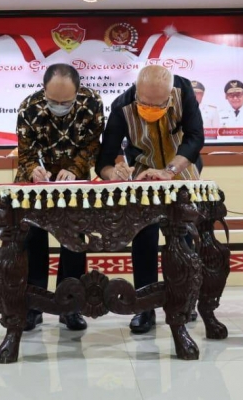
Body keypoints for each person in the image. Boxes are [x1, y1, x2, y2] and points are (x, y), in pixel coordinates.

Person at [96, 65, 203, 334]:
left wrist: (169, 171)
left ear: (169, 95)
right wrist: (114, 173)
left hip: (180, 170)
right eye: (145, 103)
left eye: (160, 104)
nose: (152, 109)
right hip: (144, 173)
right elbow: (104, 160)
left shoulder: (185, 90)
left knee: (184, 238)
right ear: (136, 90)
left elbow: (195, 136)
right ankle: (143, 306)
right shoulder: (121, 106)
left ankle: (184, 301)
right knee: (144, 237)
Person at [16, 63, 104, 331]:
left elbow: (93, 144)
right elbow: (25, 153)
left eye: (66, 101)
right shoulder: (28, 107)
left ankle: (70, 305)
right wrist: (34, 170)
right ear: (44, 89)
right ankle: (34, 305)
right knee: (32, 239)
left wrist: (74, 169)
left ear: (78, 91)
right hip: (36, 184)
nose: (59, 105)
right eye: (53, 100)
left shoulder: (92, 103)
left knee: (75, 240)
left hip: (74, 181)